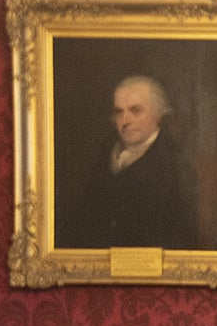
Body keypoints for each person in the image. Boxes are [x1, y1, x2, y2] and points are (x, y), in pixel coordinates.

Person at [55, 73, 203, 250]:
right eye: (119, 112)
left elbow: (177, 239)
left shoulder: (173, 165)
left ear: (158, 115)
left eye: (135, 111)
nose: (125, 121)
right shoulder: (103, 152)